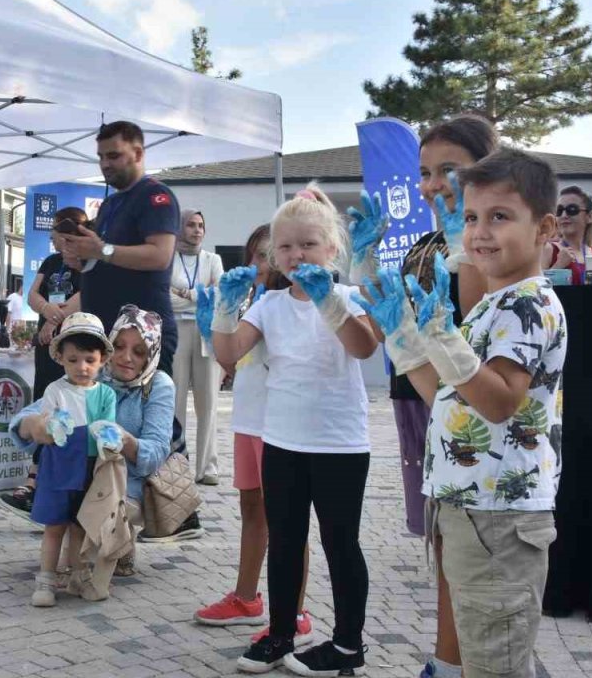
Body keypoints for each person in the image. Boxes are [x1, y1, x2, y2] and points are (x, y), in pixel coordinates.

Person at [362, 148, 566, 678]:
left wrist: (442, 336)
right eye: (472, 217)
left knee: (495, 660)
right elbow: (448, 395)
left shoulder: (529, 304)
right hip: (467, 506)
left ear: (544, 227)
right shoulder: (491, 305)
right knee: (484, 650)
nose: (480, 232)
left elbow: (498, 402)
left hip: (500, 514)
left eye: (500, 217)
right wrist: (406, 340)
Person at [352, 114, 497, 678]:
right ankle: (447, 659)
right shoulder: (424, 243)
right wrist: (362, 263)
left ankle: (473, 663)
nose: (434, 185)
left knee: (474, 553)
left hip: (475, 412)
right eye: (425, 173)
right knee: (442, 541)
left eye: (450, 171)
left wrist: (466, 242)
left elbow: (475, 323)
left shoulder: (490, 242)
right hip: (419, 398)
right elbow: (389, 318)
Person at [212, 190, 380, 676]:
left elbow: (364, 347)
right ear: (271, 256)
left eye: (308, 244)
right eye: (284, 247)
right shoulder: (269, 305)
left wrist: (330, 302)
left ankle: (349, 643)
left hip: (340, 444)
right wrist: (224, 311)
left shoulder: (348, 297)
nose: (296, 255)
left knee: (340, 542)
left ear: (332, 250)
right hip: (282, 441)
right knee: (285, 539)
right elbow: (229, 354)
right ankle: (279, 634)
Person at [193, 224, 315, 647]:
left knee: (288, 520)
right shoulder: (250, 299)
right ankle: (246, 598)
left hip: (280, 425)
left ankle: (295, 612)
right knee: (252, 509)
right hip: (248, 418)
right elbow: (231, 358)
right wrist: (218, 322)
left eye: (267, 255)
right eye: (254, 255)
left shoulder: (287, 303)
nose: (258, 264)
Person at [10, 306, 174, 593]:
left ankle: (117, 541)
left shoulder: (158, 384)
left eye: (138, 352)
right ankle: (76, 565)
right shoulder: (90, 371)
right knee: (69, 516)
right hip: (81, 472)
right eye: (120, 346)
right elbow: (25, 419)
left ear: (152, 353)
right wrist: (33, 426)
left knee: (92, 509)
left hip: (126, 479)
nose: (125, 358)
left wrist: (124, 441)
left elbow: (156, 454)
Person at [62, 121, 180, 374]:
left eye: (113, 155)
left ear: (137, 154)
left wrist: (100, 251)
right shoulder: (110, 204)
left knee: (147, 412)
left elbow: (160, 255)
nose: (105, 164)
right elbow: (107, 255)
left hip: (140, 339)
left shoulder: (156, 196)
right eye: (101, 157)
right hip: (106, 334)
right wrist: (82, 258)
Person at [17, 312, 117, 607]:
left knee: (80, 526)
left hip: (89, 468)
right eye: (73, 360)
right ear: (60, 358)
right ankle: (46, 579)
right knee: (54, 526)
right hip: (58, 466)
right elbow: (47, 424)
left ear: (102, 360)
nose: (82, 367)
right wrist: (49, 426)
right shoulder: (55, 390)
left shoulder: (106, 395)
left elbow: (107, 430)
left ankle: (78, 575)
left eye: (89, 359)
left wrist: (108, 438)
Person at [0, 207, 86, 517]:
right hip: (47, 347)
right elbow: (33, 294)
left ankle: (45, 484)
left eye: (60, 235)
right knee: (43, 403)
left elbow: (84, 296)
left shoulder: (87, 264)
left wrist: (54, 319)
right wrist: (47, 313)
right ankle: (34, 479)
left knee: (71, 408)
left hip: (75, 346)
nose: (56, 241)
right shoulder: (51, 263)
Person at [169, 209, 225, 485]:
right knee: (174, 401)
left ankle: (208, 467)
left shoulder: (213, 260)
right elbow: (166, 300)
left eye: (201, 225)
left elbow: (219, 295)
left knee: (209, 404)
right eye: (190, 225)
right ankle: (176, 464)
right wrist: (200, 296)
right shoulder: (168, 259)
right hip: (176, 333)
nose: (196, 230)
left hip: (206, 333)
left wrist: (187, 293)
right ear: (180, 228)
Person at [544, 185, 592, 284]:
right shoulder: (548, 251)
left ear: (590, 217)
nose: (564, 216)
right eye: (559, 211)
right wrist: (558, 266)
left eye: (572, 210)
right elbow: (534, 292)